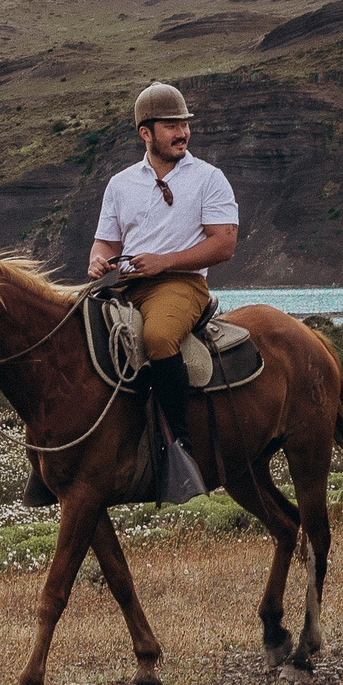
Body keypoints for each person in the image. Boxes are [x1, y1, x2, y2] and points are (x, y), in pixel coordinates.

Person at [89, 82, 241, 458]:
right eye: (172, 125)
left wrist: (164, 261)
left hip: (182, 285)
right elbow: (107, 241)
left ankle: (179, 448)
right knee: (71, 331)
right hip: (127, 284)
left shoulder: (209, 177)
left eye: (184, 124)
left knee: (157, 338)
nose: (182, 132)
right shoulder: (120, 184)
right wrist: (97, 258)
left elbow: (224, 244)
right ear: (146, 133)